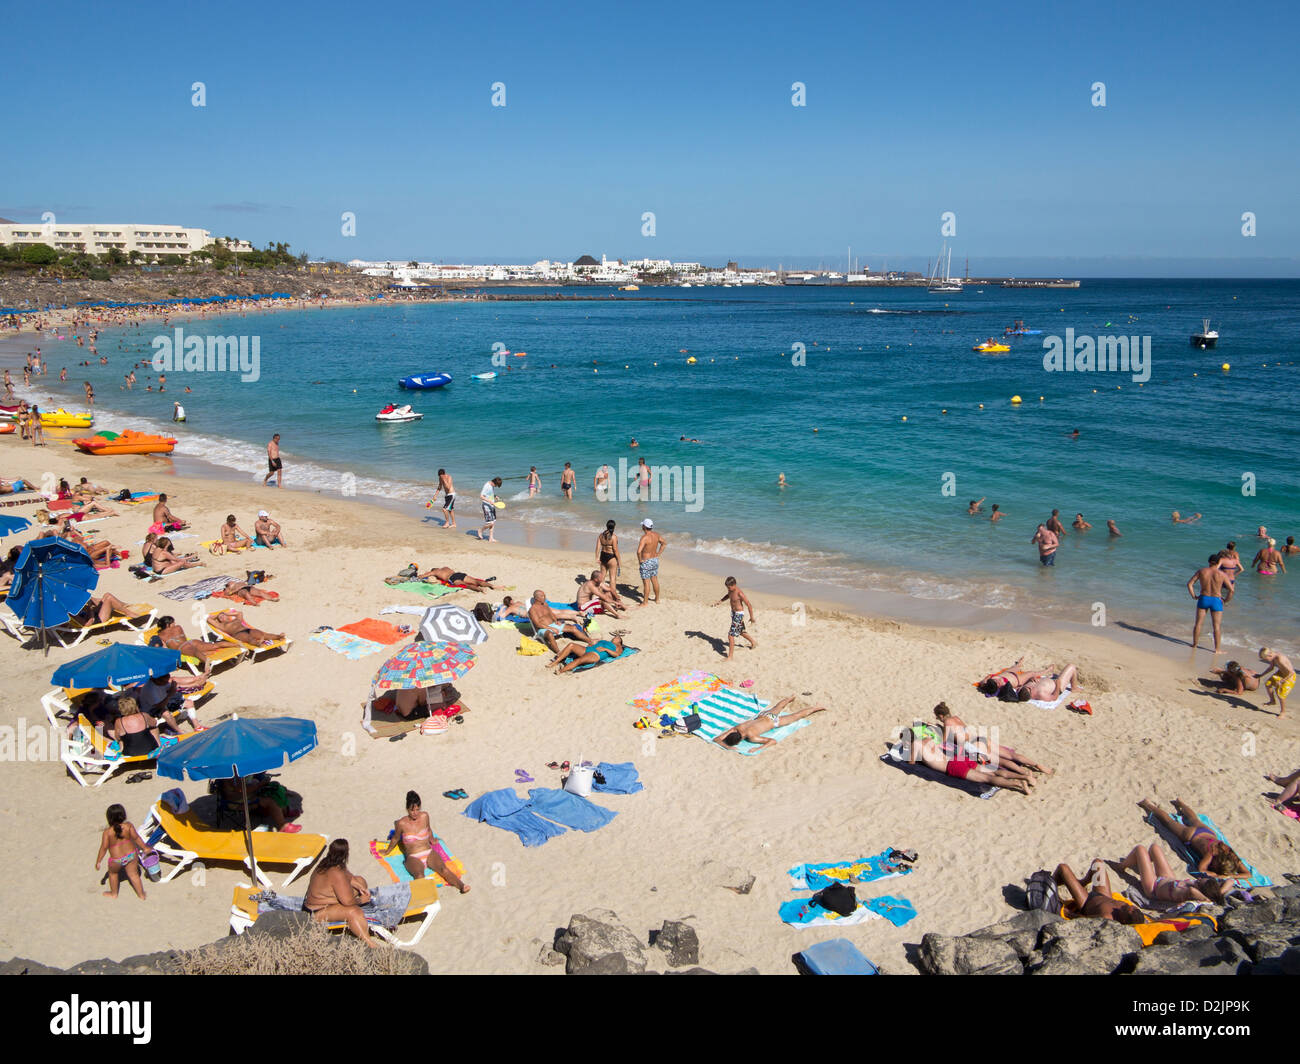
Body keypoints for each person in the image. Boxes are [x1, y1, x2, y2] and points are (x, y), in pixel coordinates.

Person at [1138, 798, 1250, 881]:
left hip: (1207, 832)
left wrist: (1230, 875)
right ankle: (1148, 805)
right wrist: (1217, 875)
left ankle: (1180, 803)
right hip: (1191, 835)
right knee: (1169, 822)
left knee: (1193, 818)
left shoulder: (1230, 852)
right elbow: (1202, 869)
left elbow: (1248, 874)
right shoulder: (1211, 854)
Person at [893, 728, 1031, 793]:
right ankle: (1024, 775)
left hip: (951, 766)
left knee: (987, 779)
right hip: (957, 758)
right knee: (993, 771)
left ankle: (1018, 784)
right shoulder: (927, 740)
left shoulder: (914, 745)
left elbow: (911, 763)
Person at [383, 791, 469, 892]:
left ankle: (461, 886)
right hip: (413, 857)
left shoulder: (424, 816)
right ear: (407, 809)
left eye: (417, 809)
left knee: (443, 869)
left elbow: (428, 829)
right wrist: (387, 851)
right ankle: (425, 896)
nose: (415, 813)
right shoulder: (401, 823)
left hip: (428, 852)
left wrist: (432, 839)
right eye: (412, 810)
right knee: (419, 875)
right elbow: (395, 838)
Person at [932, 702, 1051, 775]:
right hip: (979, 739)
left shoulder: (947, 722)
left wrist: (936, 730)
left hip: (972, 745)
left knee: (1001, 761)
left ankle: (1023, 772)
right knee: (1010, 755)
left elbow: (945, 741)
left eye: (938, 717)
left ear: (941, 716)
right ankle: (1037, 764)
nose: (938, 719)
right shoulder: (956, 718)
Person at [301, 840, 379, 946]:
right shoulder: (336, 873)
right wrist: (361, 900)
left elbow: (349, 877)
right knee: (354, 911)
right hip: (316, 911)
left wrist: (360, 886)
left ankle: (344, 901)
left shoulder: (327, 862)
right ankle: (369, 943)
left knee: (360, 880)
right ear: (346, 853)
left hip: (325, 902)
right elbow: (348, 902)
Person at [1114, 842, 1225, 906]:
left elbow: (1192, 891)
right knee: (1154, 848)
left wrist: (1207, 899)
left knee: (1140, 849)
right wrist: (1218, 894)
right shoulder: (1195, 886)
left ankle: (1121, 867)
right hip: (1168, 879)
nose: (1199, 878)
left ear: (1200, 889)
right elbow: (1230, 881)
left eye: (1200, 881)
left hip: (1153, 888)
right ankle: (1143, 862)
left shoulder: (1189, 892)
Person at [1053, 860, 1147, 924]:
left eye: (1125, 908)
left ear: (1123, 919)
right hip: (1104, 895)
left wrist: (1068, 913)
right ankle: (1083, 882)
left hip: (1086, 902)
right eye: (1127, 906)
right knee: (1098, 864)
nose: (1124, 905)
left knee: (1063, 868)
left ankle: (1047, 885)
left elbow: (1085, 920)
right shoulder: (1131, 910)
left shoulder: (1106, 917)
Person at [713, 696, 826, 747]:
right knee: (778, 707)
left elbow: (772, 741)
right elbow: (717, 739)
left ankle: (817, 707)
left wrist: (759, 748)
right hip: (764, 715)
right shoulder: (738, 727)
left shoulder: (752, 737)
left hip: (773, 721)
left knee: (796, 716)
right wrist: (726, 741)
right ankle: (790, 698)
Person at [95, 804, 153, 901]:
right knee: (134, 875)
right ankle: (141, 895)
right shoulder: (128, 826)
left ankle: (114, 894)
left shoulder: (107, 832)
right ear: (123, 815)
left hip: (116, 859)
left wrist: (98, 861)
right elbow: (136, 838)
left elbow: (103, 848)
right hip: (131, 855)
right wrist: (145, 848)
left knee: (113, 874)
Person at [1187, 553, 1234, 653]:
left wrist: (1194, 596)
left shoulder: (1202, 571)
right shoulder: (1222, 574)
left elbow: (1189, 584)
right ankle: (1217, 649)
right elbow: (1231, 590)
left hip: (1203, 598)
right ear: (1218, 563)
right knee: (1216, 627)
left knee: (1198, 624)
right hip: (1216, 600)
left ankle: (1194, 644)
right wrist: (1225, 600)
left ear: (1209, 562)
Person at [154, 615, 245, 663]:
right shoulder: (178, 627)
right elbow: (184, 638)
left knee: (195, 652)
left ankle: (206, 663)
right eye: (173, 622)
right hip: (192, 641)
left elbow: (165, 648)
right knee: (214, 645)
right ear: (168, 624)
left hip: (182, 647)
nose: (175, 623)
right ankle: (238, 644)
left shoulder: (161, 635)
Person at [714, 575, 756, 658]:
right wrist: (721, 601)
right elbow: (728, 595)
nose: (728, 589)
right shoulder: (730, 591)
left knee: (730, 635)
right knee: (740, 631)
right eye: (727, 588)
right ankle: (753, 642)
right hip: (733, 613)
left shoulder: (739, 593)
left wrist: (751, 617)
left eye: (729, 587)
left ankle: (730, 657)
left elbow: (749, 605)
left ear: (734, 585)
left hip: (739, 615)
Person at [550, 634, 627, 674]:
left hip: (596, 654)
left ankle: (561, 671)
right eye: (615, 636)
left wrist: (606, 649)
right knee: (571, 645)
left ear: (620, 641)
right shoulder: (607, 641)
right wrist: (591, 644)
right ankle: (556, 662)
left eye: (617, 637)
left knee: (579, 660)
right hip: (588, 649)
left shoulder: (618, 646)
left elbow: (617, 655)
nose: (615, 637)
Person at [209, 608, 284, 648]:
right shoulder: (221, 625)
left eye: (223, 616)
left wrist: (225, 613)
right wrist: (218, 615)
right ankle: (258, 644)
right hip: (238, 634)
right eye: (220, 618)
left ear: (227, 615)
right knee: (249, 639)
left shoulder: (236, 619)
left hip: (247, 629)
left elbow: (239, 613)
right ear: (219, 620)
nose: (222, 617)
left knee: (263, 634)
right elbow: (208, 619)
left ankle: (278, 636)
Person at [1258, 646, 1295, 718]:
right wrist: (1261, 675)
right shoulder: (1272, 657)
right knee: (1268, 683)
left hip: (1289, 677)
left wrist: (1282, 681)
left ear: (1269, 655)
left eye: (1266, 659)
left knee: (1280, 693)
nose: (1267, 660)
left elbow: (1292, 672)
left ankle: (1283, 712)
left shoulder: (1280, 659)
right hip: (1280, 673)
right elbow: (1271, 668)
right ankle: (1272, 701)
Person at [635, 518, 665, 606]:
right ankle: (657, 599)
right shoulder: (656, 535)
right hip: (654, 560)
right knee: (654, 579)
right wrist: (658, 553)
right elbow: (664, 543)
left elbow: (638, 551)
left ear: (644, 526)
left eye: (642, 525)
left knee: (646, 582)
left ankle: (645, 602)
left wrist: (640, 560)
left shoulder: (644, 538)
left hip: (646, 561)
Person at [417, 565, 497, 590]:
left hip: (452, 578)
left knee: (466, 585)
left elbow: (423, 576)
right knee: (476, 581)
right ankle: (491, 585)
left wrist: (420, 576)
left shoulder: (435, 572)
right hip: (459, 574)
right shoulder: (445, 567)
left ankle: (480, 589)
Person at [596, 520, 622, 591]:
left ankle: (600, 592)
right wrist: (619, 560)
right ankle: (612, 594)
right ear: (614, 527)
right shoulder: (614, 537)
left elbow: (598, 547)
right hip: (611, 557)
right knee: (612, 578)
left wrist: (597, 557)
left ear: (606, 526)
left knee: (602, 576)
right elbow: (615, 550)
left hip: (603, 555)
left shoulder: (601, 536)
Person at [479, 477, 503, 541]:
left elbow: (489, 494)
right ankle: (481, 530)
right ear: (493, 482)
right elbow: (481, 496)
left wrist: (495, 496)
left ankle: (491, 538)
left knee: (493, 522)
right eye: (496, 485)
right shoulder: (487, 486)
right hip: (486, 506)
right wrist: (489, 501)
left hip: (492, 505)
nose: (496, 487)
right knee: (490, 523)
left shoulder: (491, 486)